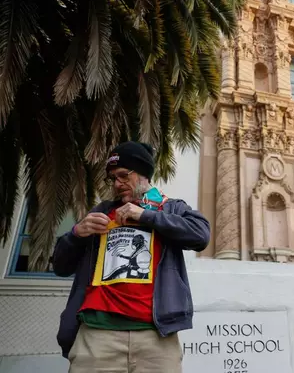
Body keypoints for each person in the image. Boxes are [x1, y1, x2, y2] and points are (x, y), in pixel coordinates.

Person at [53, 141, 210, 373]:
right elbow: (60, 266)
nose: (117, 183)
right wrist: (75, 234)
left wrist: (147, 216)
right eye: (112, 178)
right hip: (97, 335)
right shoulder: (101, 212)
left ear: (144, 173)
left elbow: (201, 235)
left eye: (124, 175)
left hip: (156, 338)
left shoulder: (170, 208)